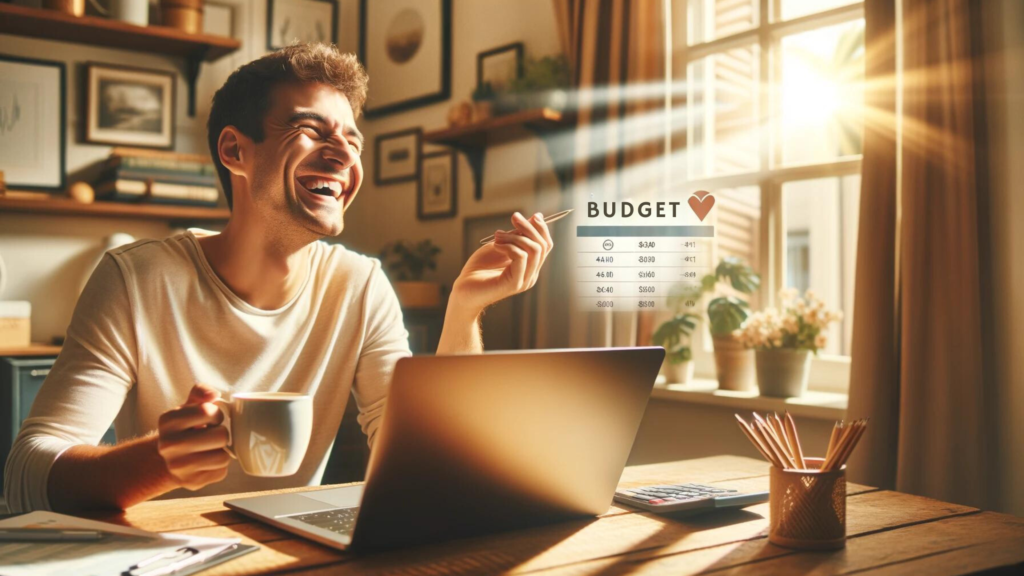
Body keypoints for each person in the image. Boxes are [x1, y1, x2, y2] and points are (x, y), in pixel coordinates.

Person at [4, 43, 553, 513]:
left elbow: (425, 466)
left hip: (298, 556)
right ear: (234, 151)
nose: (344, 155)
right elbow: (26, 474)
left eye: (354, 141)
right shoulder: (136, 278)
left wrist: (464, 312)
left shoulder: (360, 286)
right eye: (311, 130)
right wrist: (157, 463)